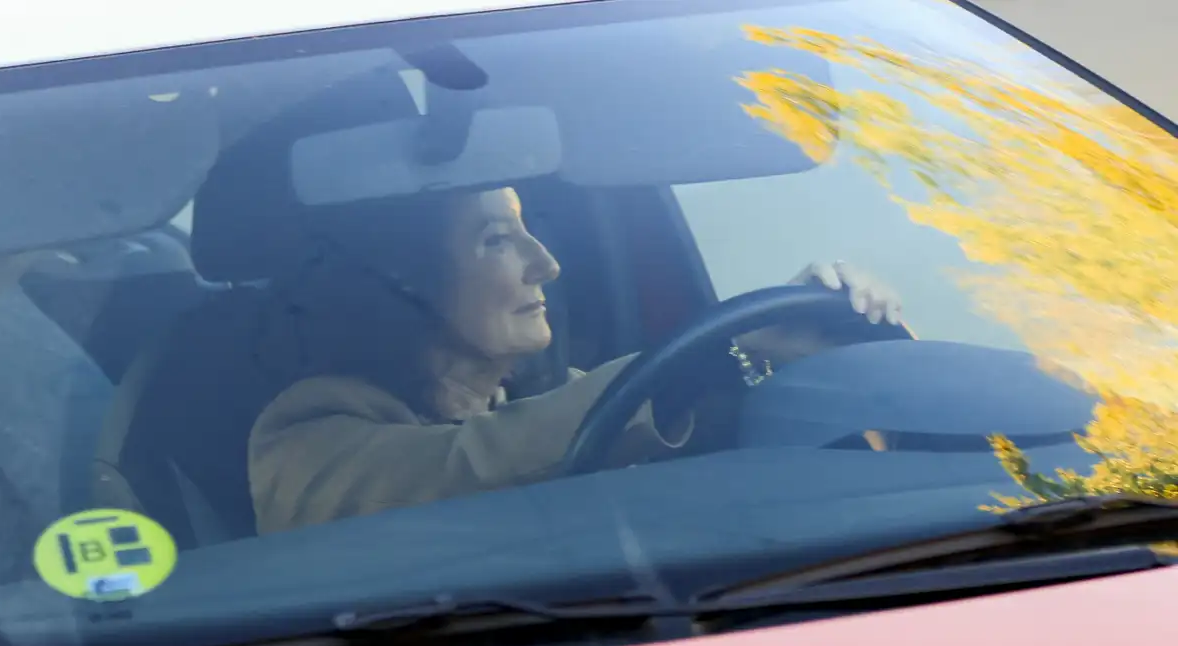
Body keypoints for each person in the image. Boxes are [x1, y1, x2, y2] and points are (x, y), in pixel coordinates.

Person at [248, 187, 903, 534]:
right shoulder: (303, 442)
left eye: (530, 230)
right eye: (498, 240)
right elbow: (466, 468)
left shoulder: (554, 396)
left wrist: (795, 355)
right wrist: (704, 360)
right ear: (401, 279)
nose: (547, 264)